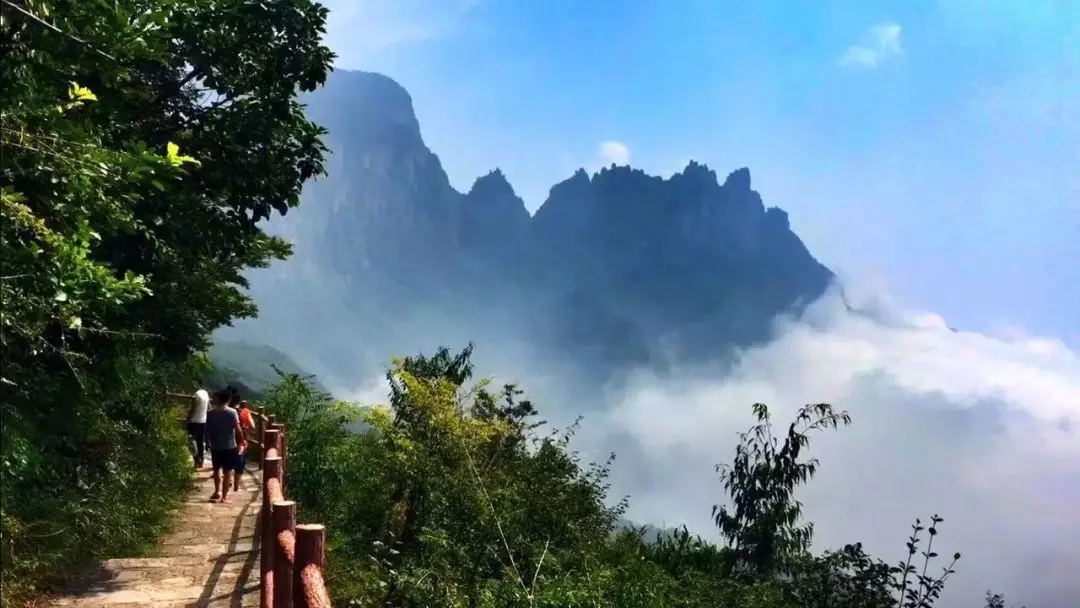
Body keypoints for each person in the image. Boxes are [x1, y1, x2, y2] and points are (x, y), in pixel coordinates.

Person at [205, 389, 243, 503]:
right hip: (229, 445)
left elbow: (207, 430)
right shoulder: (232, 412)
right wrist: (242, 440)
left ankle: (217, 492)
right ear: (228, 399)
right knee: (228, 471)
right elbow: (238, 429)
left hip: (215, 446)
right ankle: (224, 497)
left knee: (216, 470)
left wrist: (207, 442)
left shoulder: (211, 413)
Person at [231, 399, 255, 492]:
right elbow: (253, 426)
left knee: (228, 462)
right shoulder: (246, 412)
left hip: (229, 441)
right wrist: (245, 428)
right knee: (239, 463)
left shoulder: (228, 412)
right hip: (242, 441)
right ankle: (236, 485)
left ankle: (229, 479)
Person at [186, 388, 210, 469]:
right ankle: (201, 459)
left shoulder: (196, 395)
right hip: (203, 421)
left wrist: (187, 420)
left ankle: (196, 459)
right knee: (200, 441)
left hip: (193, 421)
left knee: (191, 440)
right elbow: (207, 409)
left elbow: (192, 410)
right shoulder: (206, 394)